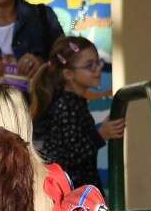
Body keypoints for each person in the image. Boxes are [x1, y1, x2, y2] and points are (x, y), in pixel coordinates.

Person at [31, 36, 124, 190]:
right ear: (68, 74)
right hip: (73, 196)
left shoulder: (71, 102)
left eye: (98, 62)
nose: (98, 69)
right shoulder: (67, 105)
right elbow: (69, 155)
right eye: (89, 66)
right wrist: (101, 134)